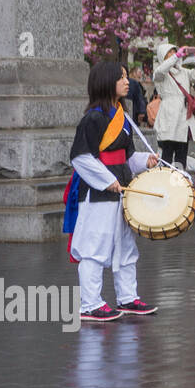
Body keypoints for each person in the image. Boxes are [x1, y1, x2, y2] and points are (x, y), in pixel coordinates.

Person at [66, 61, 161, 321]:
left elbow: (127, 156)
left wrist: (145, 161)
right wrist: (106, 180)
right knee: (94, 248)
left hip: (122, 189)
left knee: (126, 247)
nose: (127, 81)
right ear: (106, 82)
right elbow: (81, 158)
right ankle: (90, 304)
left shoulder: (123, 115)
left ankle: (128, 298)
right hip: (99, 193)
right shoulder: (93, 118)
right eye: (120, 77)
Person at [152, 42, 195, 168]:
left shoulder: (184, 72)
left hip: (183, 118)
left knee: (181, 157)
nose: (173, 55)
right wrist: (177, 55)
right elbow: (161, 71)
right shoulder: (160, 73)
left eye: (174, 52)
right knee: (166, 157)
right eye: (169, 53)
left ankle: (179, 183)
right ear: (162, 56)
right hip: (168, 118)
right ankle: (163, 182)